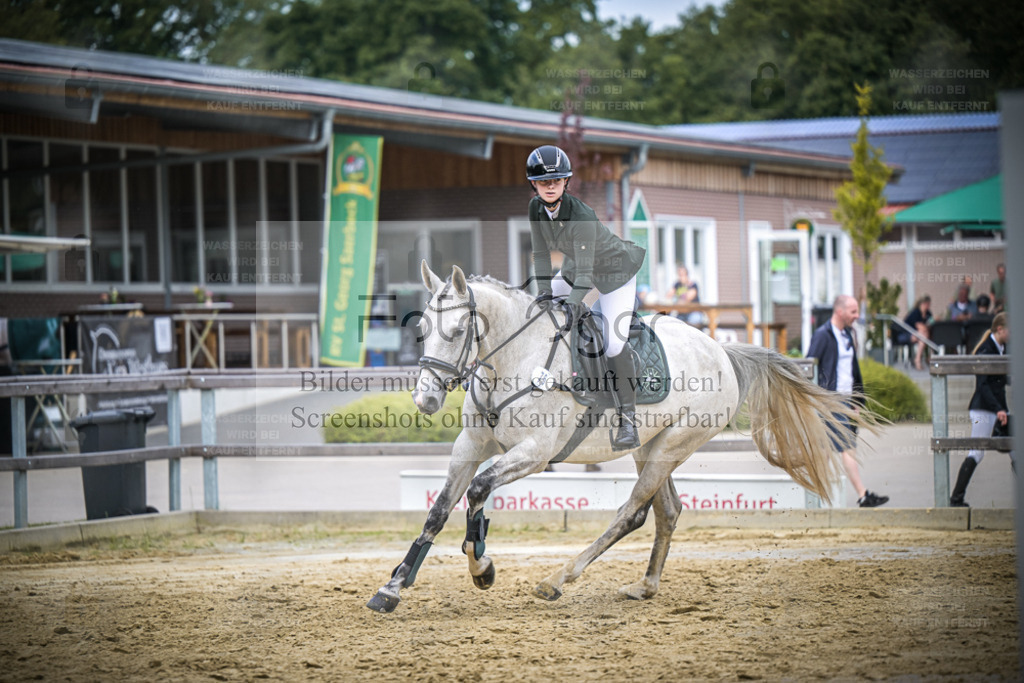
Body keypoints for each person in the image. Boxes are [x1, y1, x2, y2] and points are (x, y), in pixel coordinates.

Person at [527, 144, 647, 450]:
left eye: (556, 181)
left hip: (615, 274)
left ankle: (628, 419)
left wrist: (571, 303)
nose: (550, 186)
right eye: (543, 182)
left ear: (566, 182)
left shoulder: (580, 214)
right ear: (535, 185)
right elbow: (541, 255)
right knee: (538, 310)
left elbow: (584, 277)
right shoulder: (536, 210)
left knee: (613, 342)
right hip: (578, 267)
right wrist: (543, 294)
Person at [806, 294, 889, 508]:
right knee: (847, 447)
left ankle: (814, 496)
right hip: (831, 401)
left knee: (826, 450)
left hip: (846, 401)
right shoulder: (823, 335)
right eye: (853, 311)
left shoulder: (847, 335)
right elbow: (808, 365)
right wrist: (817, 398)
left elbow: (852, 370)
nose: (857, 316)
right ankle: (861, 495)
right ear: (840, 312)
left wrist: (857, 400)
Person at [950, 312, 1011, 507]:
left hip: (997, 407)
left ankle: (956, 498)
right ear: (1000, 329)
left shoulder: (1002, 347)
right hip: (984, 408)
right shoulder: (987, 350)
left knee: (1016, 449)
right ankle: (956, 499)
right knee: (976, 452)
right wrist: (999, 409)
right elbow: (983, 385)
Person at [896, 295, 934, 371]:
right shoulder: (915, 313)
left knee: (926, 335)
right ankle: (919, 359)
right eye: (927, 304)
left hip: (919, 335)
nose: (928, 306)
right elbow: (920, 326)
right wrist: (926, 327)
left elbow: (931, 323)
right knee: (923, 334)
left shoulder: (928, 313)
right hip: (906, 334)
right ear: (923, 304)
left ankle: (926, 357)